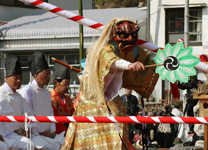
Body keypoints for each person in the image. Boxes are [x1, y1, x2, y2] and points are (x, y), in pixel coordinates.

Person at [61, 17, 159, 150]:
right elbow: (112, 61)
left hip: (109, 96)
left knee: (120, 111)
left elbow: (149, 61)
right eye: (125, 35)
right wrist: (130, 65)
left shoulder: (131, 49)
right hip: (92, 97)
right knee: (95, 132)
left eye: (133, 35)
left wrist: (165, 62)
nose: (130, 39)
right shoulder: (106, 48)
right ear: (115, 35)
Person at [0, 54, 50, 150]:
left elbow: (28, 113)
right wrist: (19, 131)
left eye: (20, 77)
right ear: (7, 78)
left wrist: (27, 130)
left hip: (23, 133)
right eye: (16, 78)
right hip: (7, 134)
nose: (19, 81)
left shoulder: (19, 96)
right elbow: (6, 118)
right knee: (27, 145)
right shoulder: (1, 93)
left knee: (43, 144)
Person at [20, 52, 63, 150]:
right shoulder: (27, 91)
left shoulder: (47, 92)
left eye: (49, 73)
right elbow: (28, 116)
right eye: (46, 73)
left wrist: (52, 131)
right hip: (35, 135)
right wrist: (42, 132)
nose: (49, 76)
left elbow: (50, 113)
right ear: (36, 75)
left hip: (49, 134)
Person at [50, 60, 74, 134]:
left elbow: (73, 115)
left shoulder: (68, 99)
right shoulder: (51, 98)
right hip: (58, 132)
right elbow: (55, 121)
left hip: (68, 130)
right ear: (56, 83)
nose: (67, 86)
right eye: (65, 83)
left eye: (69, 84)